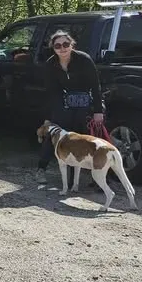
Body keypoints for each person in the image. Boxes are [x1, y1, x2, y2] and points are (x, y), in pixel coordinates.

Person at [36, 30, 103, 184]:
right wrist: (49, 116)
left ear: (71, 45)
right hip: (63, 101)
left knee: (84, 138)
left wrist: (98, 110)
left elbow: (95, 86)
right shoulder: (51, 64)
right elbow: (51, 91)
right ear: (53, 48)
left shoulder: (84, 60)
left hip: (85, 101)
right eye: (58, 46)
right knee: (54, 133)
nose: (62, 48)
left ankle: (92, 177)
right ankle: (41, 169)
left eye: (66, 44)